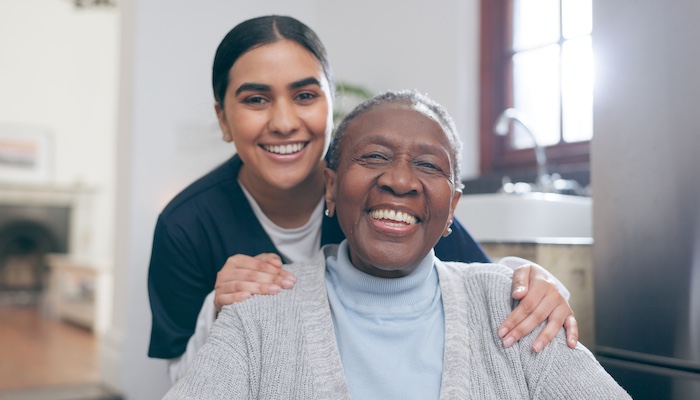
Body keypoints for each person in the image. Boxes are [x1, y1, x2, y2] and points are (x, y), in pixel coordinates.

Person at [147, 15, 577, 383]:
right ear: (223, 118)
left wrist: (534, 279)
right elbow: (182, 379)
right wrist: (216, 311)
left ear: (330, 106)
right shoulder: (186, 225)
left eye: (305, 96)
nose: (283, 122)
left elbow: (479, 286)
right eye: (256, 99)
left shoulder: (379, 197)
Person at [163, 90, 630, 399]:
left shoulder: (516, 310)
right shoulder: (260, 312)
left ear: (453, 208)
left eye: (428, 165)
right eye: (374, 157)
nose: (401, 180)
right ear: (330, 186)